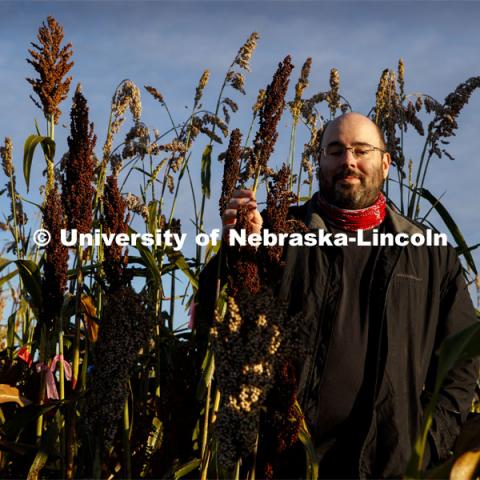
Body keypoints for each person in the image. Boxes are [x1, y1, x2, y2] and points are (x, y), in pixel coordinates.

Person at [197, 112, 479, 478]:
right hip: (286, 462)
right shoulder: (279, 234)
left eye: (362, 150)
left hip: (388, 465)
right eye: (335, 150)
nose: (348, 161)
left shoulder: (428, 253)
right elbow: (214, 318)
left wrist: (428, 441)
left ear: (385, 163)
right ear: (320, 162)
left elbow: (462, 360)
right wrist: (236, 252)